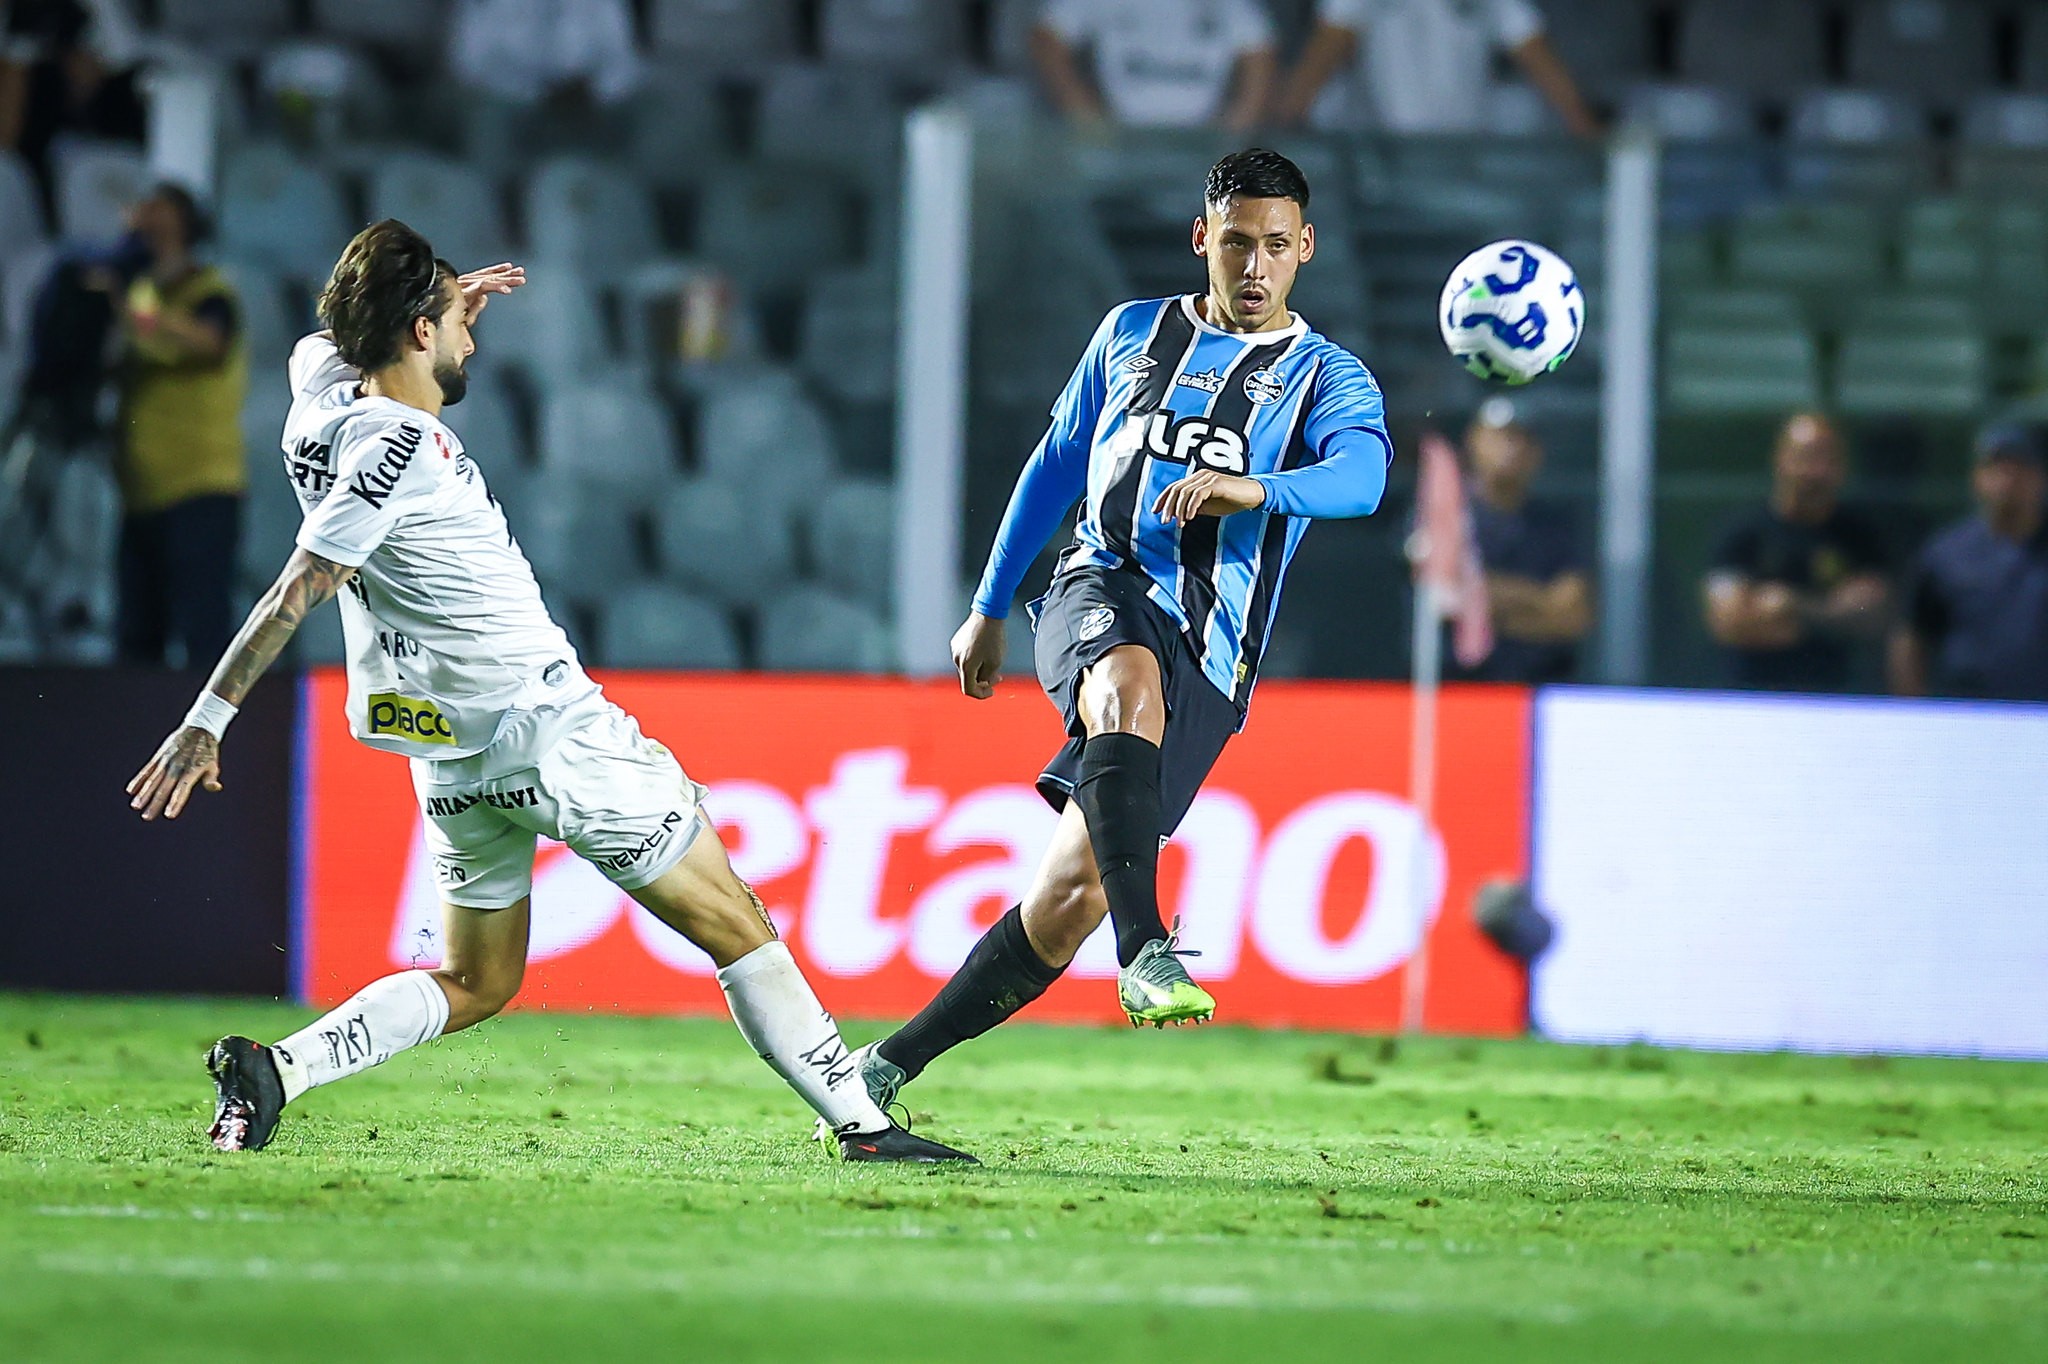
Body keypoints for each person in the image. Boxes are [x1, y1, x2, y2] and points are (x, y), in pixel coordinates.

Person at [126, 221, 970, 1165]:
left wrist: (443, 292)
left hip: (448, 754)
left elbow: (316, 343)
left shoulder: (316, 401)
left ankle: (275, 1070)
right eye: (456, 325)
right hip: (551, 737)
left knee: (476, 980)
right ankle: (861, 1121)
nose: (472, 342)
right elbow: (296, 590)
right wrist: (207, 722)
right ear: (415, 334)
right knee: (737, 922)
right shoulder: (399, 450)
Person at [840, 149, 1391, 1113]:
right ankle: (1146, 952)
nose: (1253, 266)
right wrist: (987, 605)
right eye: (1234, 243)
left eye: (1273, 246)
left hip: (1214, 660)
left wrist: (1253, 487)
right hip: (1099, 587)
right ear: (1201, 240)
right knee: (1123, 683)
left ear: (1304, 249)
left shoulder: (1327, 377)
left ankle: (881, 1067)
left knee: (1066, 899)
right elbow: (1055, 467)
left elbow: (1363, 479)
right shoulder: (1130, 335)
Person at [109, 182, 247, 668]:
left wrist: (141, 314)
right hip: (142, 490)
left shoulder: (211, 291)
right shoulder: (142, 294)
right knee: (136, 636)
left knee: (203, 630)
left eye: (162, 214)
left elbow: (211, 341)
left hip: (200, 487)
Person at [1703, 412, 1890, 693]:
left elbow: (1872, 614)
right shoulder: (1743, 532)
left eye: (1828, 459)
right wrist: (1834, 613)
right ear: (1781, 458)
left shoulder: (1859, 534)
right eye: (1806, 457)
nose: (1817, 471)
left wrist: (1792, 606)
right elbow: (1729, 622)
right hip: (1749, 698)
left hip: (1838, 700)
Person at [1269, 0, 1601, 137]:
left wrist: (1588, 133)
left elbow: (1537, 56)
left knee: (1522, 108)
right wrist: (1276, 129)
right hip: (1382, 160)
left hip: (1468, 155)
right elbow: (1320, 58)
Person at [1888, 424, 2048, 702]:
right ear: (1977, 478)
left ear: (2040, 478)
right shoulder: (1946, 554)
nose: (2008, 480)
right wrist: (1913, 713)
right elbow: (1912, 636)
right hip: (1966, 719)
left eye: (2020, 468)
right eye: (1996, 468)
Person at [1450, 400, 1591, 683]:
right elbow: (1452, 598)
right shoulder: (1447, 517)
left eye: (1521, 439)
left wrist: (1494, 611)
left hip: (1542, 689)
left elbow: (1572, 617)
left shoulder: (1554, 525)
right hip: (1458, 693)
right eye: (1500, 437)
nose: (1511, 449)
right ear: (1472, 442)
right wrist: (1540, 598)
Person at [1031, 0, 1277, 132]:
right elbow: (1047, 37)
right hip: (1120, 142)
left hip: (1200, 147)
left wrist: (1234, 129)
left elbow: (1260, 52)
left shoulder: (1231, 4)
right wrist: (1084, 114)